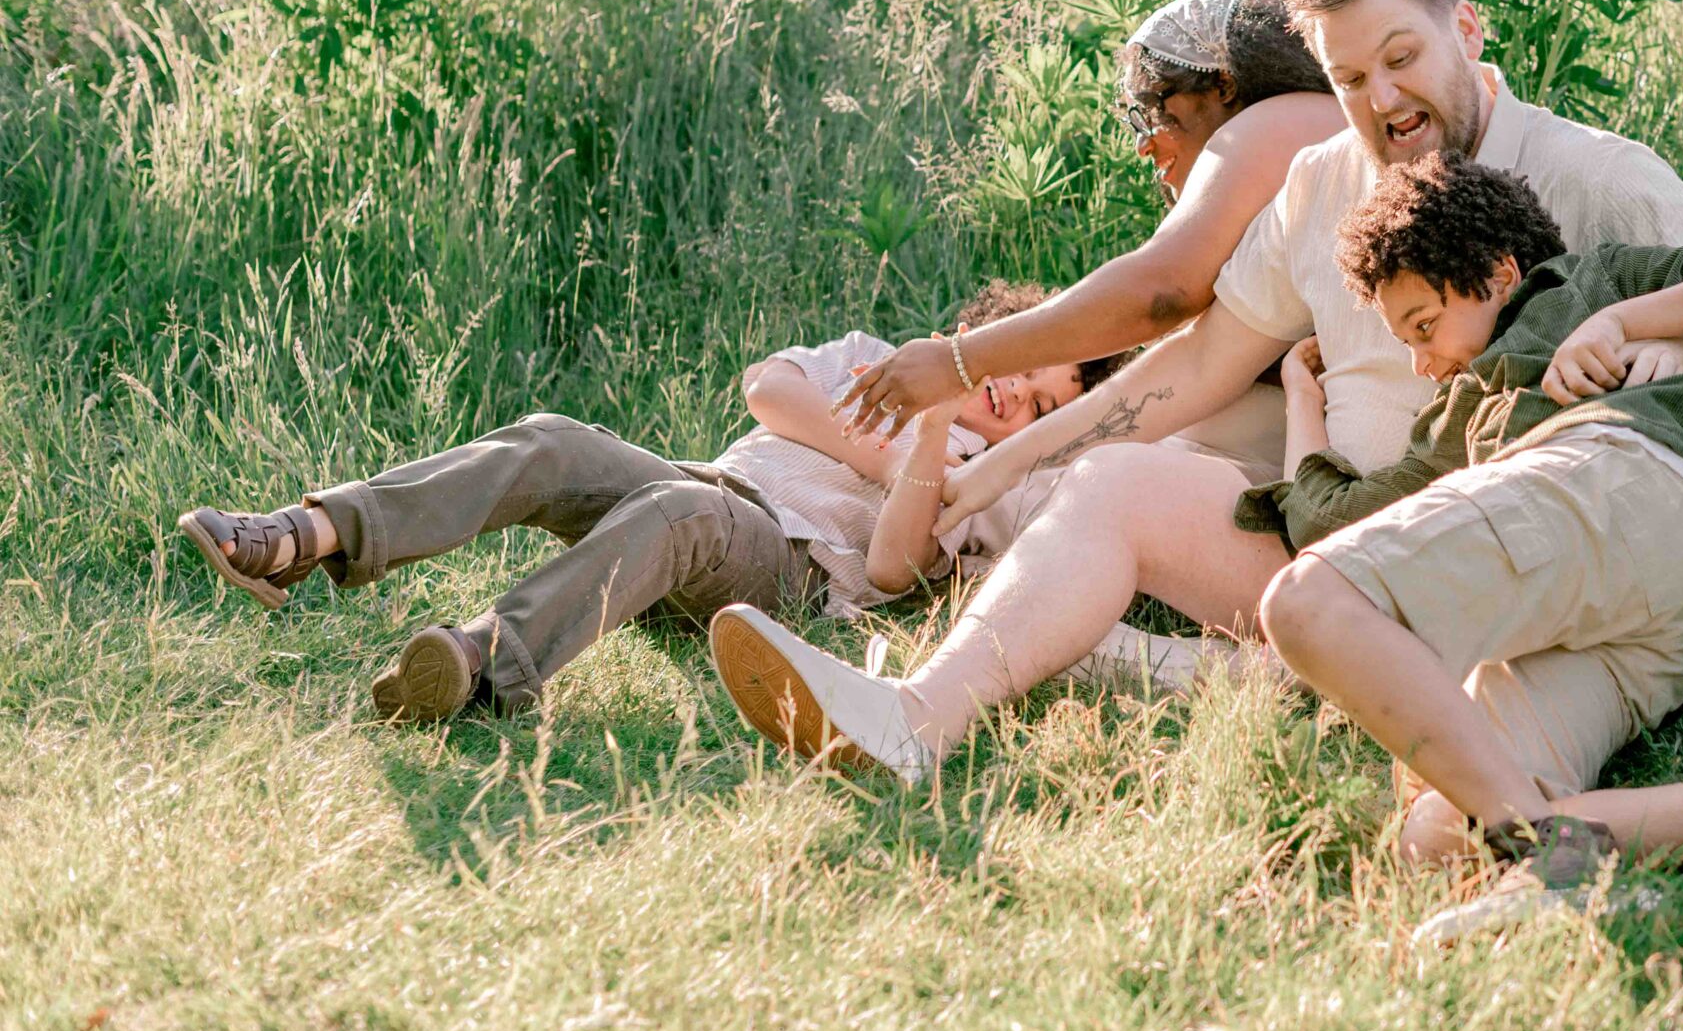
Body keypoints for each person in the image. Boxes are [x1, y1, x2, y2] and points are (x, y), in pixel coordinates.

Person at [710, 0, 1683, 806]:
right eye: (1350, 78)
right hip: (1337, 530)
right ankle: (913, 718)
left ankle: (1261, 680)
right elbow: (1195, 358)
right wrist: (1013, 463)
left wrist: (1646, 323)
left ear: (1467, 33)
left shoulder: (1590, 174)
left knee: (1451, 799)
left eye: (1402, 58)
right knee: (1115, 485)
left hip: (1513, 541)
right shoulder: (1324, 183)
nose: (1384, 99)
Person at [1247, 153, 1683, 940]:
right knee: (1435, 834)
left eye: (1425, 327)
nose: (1423, 362)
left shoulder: (1586, 285)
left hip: (1616, 482)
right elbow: (1327, 521)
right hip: (1655, 612)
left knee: (1306, 602)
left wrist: (1629, 321)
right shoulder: (1452, 420)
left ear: (1496, 273)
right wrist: (1300, 402)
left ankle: (1548, 862)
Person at [177, 281, 1114, 723]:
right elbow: (770, 389)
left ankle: (479, 663)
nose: (1014, 396)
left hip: (778, 569)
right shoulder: (888, 354)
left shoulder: (994, 475)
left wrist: (919, 436)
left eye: (1040, 405)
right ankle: (308, 534)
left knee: (682, 512)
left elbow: (895, 569)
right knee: (552, 439)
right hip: (705, 481)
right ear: (999, 332)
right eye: (1024, 368)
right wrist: (884, 425)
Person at [839, 0, 1344, 482]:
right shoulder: (1301, 149)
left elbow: (1161, 292)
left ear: (1222, 86)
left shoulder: (1274, 122)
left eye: (1153, 110)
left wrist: (960, 361)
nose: (1144, 145)